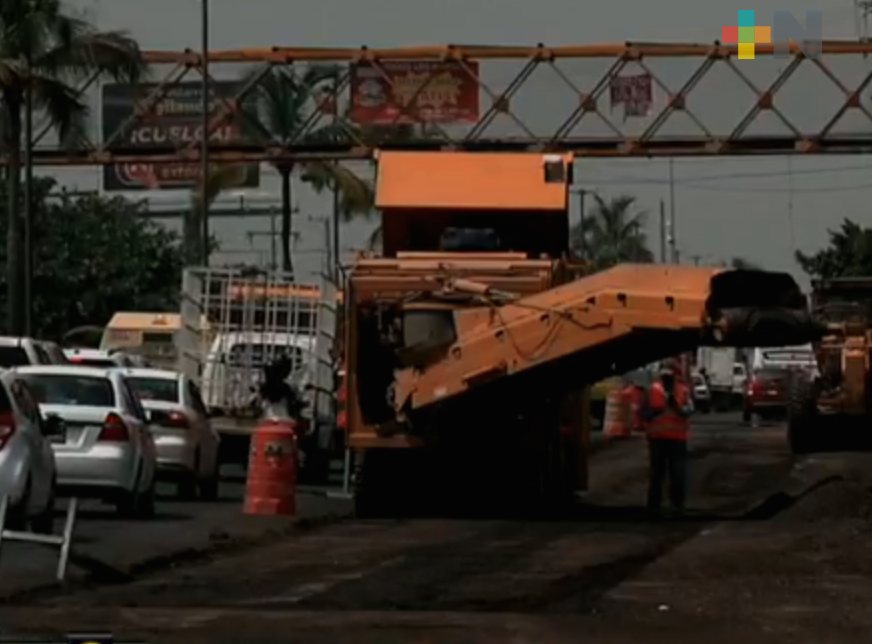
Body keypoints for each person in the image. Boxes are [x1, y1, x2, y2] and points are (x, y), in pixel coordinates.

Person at [642, 358, 694, 518]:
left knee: (677, 474)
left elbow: (689, 410)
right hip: (657, 439)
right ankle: (654, 505)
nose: (667, 379)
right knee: (657, 474)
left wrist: (676, 406)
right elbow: (644, 414)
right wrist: (654, 412)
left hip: (676, 439)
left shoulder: (682, 390)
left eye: (669, 376)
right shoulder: (653, 390)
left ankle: (677, 504)